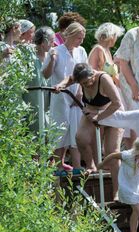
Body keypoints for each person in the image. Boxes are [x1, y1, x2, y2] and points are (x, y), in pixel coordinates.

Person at [54, 63, 123, 187]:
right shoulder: (80, 77)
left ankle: (117, 191)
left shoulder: (104, 79)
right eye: (82, 84)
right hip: (91, 111)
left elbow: (117, 103)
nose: (86, 85)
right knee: (80, 138)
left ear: (93, 75)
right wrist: (61, 85)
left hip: (112, 113)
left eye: (88, 82)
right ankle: (91, 166)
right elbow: (69, 79)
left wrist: (98, 117)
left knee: (112, 152)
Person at [42, 22, 87, 175]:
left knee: (75, 130)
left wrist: (80, 91)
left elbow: (84, 73)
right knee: (59, 130)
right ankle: (57, 166)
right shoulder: (56, 50)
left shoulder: (81, 51)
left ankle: (77, 165)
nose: (80, 41)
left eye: (82, 38)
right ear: (70, 35)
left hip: (76, 95)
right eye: (78, 38)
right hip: (60, 95)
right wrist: (53, 59)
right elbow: (46, 75)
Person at [22, 26, 55, 133]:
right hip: (31, 103)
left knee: (48, 134)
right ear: (43, 42)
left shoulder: (50, 56)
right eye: (51, 41)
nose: (53, 44)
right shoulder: (28, 54)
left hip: (47, 105)